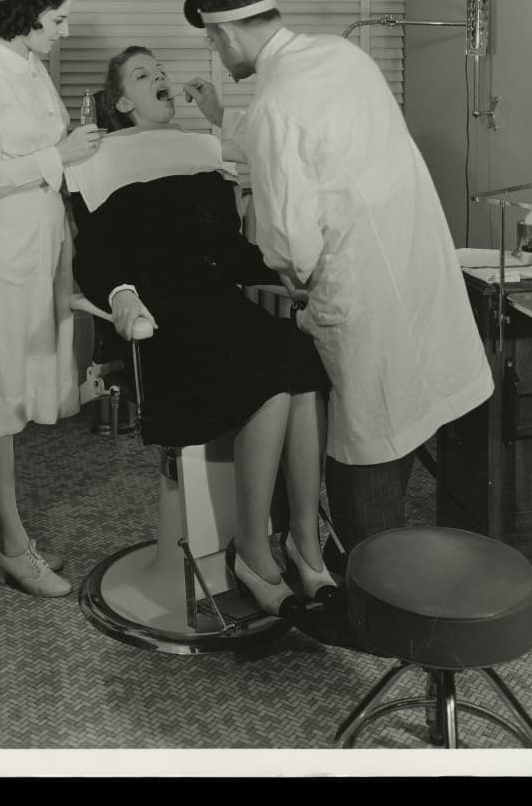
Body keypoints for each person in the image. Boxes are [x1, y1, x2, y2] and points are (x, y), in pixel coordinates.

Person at [180, 0, 495, 572]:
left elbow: (288, 241)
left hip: (359, 287)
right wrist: (222, 117)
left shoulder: (276, 103)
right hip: (412, 261)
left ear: (229, 35)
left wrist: (283, 274)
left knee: (367, 434)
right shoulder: (342, 57)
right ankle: (376, 565)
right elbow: (306, 136)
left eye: (213, 40)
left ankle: (368, 584)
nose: (216, 51)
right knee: (402, 415)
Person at [70, 45, 335, 616]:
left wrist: (285, 273)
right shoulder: (101, 160)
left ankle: (305, 543)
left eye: (160, 70)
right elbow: (93, 255)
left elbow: (229, 251)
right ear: (122, 103)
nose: (160, 77)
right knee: (272, 373)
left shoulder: (200, 151)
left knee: (305, 363)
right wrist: (121, 295)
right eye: (142, 75)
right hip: (164, 323)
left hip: (221, 308)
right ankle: (253, 553)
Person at [0, 0, 102, 598]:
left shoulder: (32, 68)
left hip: (40, 243)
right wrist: (57, 155)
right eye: (59, 18)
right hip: (1, 251)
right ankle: (11, 548)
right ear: (28, 12)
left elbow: (54, 157)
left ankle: (4, 535)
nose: (66, 29)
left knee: (18, 392)